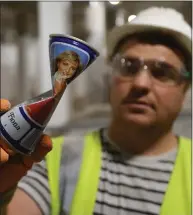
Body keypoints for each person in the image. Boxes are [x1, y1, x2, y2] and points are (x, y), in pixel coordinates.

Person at [0, 6, 192, 215]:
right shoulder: (53, 156)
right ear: (110, 78)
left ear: (185, 88)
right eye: (128, 66)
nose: (140, 83)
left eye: (161, 72)